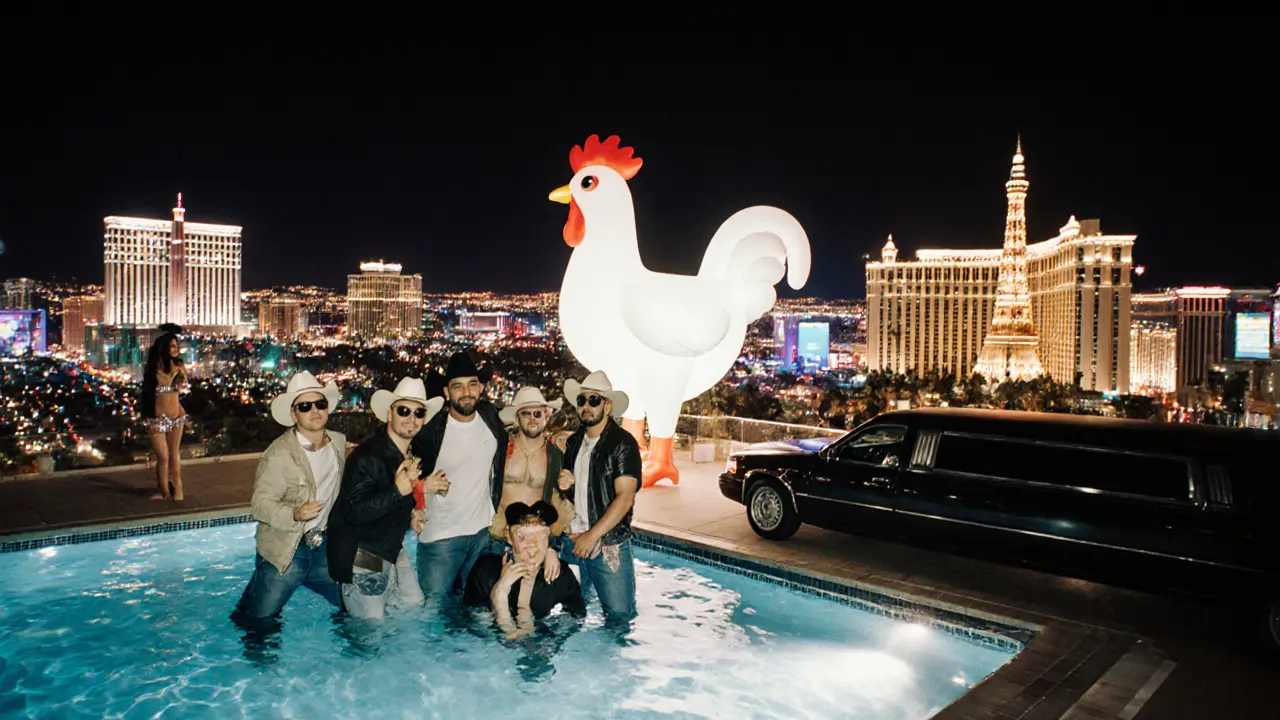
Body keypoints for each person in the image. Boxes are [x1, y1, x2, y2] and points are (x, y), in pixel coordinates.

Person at [233, 371, 345, 622]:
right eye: (305, 406)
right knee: (259, 621)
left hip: (323, 549)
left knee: (352, 603)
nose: (315, 410)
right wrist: (294, 513)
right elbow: (260, 506)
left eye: (320, 404)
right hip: (287, 552)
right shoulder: (279, 455)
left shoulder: (338, 443)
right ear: (294, 414)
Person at [328, 377, 442, 620]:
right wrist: (397, 491)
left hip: (390, 546)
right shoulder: (367, 457)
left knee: (412, 604)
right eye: (404, 410)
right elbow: (354, 512)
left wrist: (412, 509)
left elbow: (392, 501)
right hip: (365, 552)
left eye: (418, 412)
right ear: (389, 414)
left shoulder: (409, 455)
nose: (411, 418)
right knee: (371, 626)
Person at [409, 351, 509, 604]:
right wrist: (421, 487)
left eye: (472, 384)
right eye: (457, 386)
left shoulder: (490, 418)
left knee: (480, 609)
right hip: (440, 537)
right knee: (434, 611)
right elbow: (398, 470)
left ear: (481, 388)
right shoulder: (429, 430)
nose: (466, 392)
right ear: (446, 392)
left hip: (483, 535)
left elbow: (508, 450)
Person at [559, 370, 642, 620]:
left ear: (608, 406)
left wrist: (591, 536)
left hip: (608, 545)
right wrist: (566, 484)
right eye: (581, 400)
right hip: (573, 541)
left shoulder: (623, 443)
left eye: (594, 400)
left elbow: (625, 498)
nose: (586, 406)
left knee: (619, 617)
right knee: (571, 614)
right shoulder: (573, 443)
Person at [464, 501, 586, 638]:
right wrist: (500, 592)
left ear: (548, 538)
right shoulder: (486, 570)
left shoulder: (559, 574)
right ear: (509, 538)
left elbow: (573, 621)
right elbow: (474, 622)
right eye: (522, 537)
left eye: (540, 536)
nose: (532, 544)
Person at [492, 387, 576, 578]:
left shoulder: (555, 454)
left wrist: (570, 483)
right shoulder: (500, 449)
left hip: (536, 539)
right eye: (526, 414)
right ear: (517, 418)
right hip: (500, 535)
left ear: (546, 415)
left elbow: (562, 498)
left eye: (537, 413)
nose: (532, 419)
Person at [139, 323, 188, 500]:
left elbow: (182, 384)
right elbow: (158, 384)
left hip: (176, 415)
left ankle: (179, 492)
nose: (174, 349)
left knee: (174, 455)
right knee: (164, 457)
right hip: (156, 418)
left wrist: (180, 373)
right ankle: (165, 492)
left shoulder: (179, 366)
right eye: (171, 346)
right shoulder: (155, 368)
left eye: (176, 346)